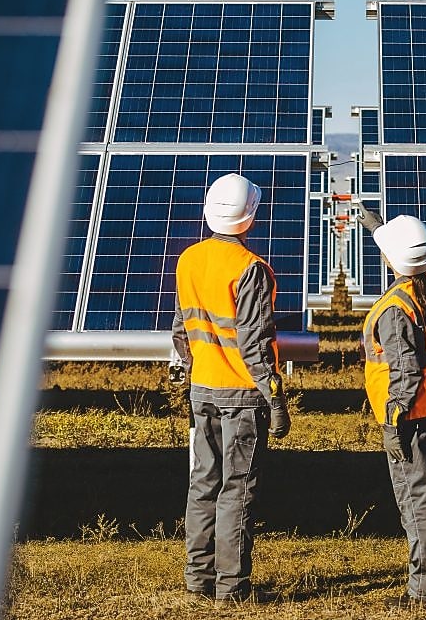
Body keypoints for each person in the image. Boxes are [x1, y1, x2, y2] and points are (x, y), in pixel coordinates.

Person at [172, 172, 291, 602]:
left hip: (201, 388)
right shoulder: (250, 270)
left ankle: (197, 578)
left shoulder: (188, 259)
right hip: (241, 396)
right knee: (236, 491)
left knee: (202, 484)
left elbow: (181, 328)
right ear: (250, 217)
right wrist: (275, 398)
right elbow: (255, 344)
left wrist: (195, 367)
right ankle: (232, 588)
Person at [357, 207, 426, 609]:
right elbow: (407, 257)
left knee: (417, 501)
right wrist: (381, 229)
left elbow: (405, 371)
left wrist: (393, 422)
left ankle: (425, 595)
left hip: (409, 417)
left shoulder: (395, 309)